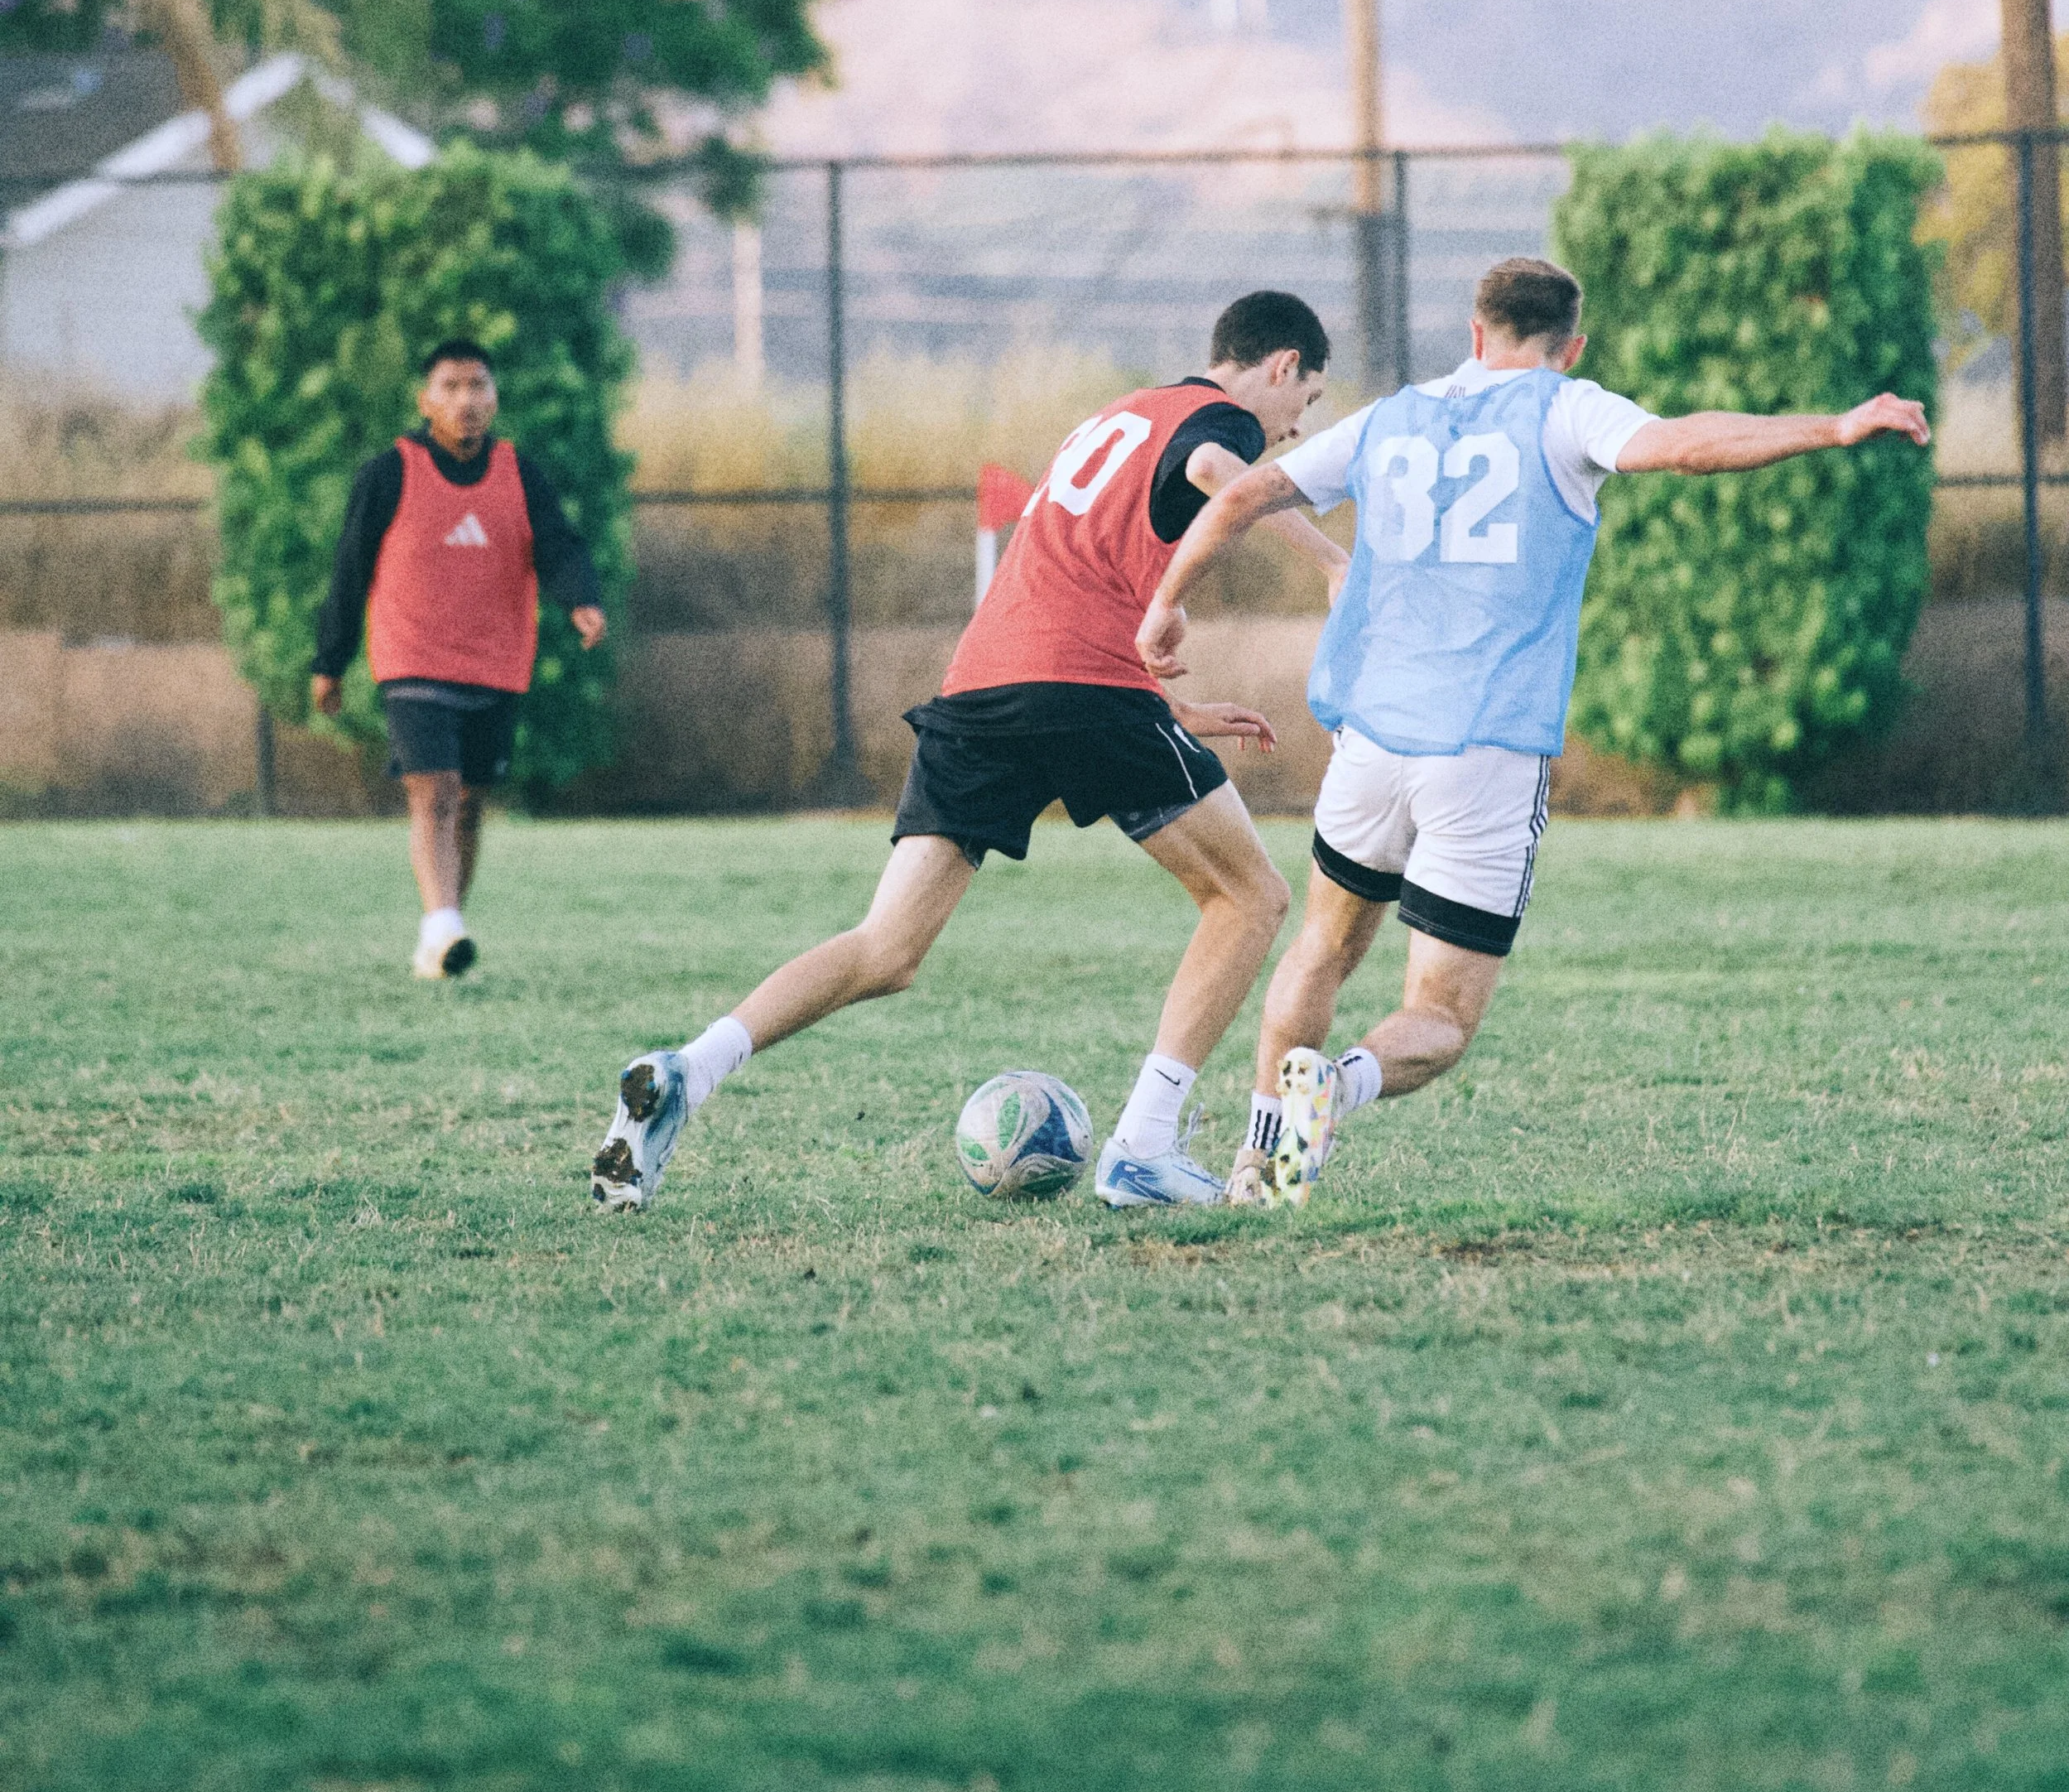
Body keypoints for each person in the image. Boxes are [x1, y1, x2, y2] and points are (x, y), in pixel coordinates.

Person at [1134, 253, 1931, 1203]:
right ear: (1570, 346)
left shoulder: (1391, 417)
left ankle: (1260, 1167)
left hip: (1374, 740)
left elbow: (1238, 497)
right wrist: (1834, 427)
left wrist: (1163, 608)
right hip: (1486, 753)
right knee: (1441, 1010)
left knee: (1320, 947)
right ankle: (1337, 1089)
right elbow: (1682, 444)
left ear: (1474, 334)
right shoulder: (1565, 407)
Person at [589, 291, 1346, 1213]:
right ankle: (1145, 1145)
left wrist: (1166, 710)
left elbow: (1076, 581)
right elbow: (1227, 479)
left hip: (984, 688)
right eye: (1301, 406)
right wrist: (1327, 559)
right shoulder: (1214, 416)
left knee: (886, 949)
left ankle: (689, 1069)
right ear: (1278, 366)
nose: (1289, 429)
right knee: (1249, 898)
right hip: (1082, 688)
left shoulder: (1114, 416)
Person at [311, 338, 608, 979]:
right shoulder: (389, 473)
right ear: (425, 400)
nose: (466, 400)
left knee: (470, 803)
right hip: (412, 659)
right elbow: (350, 569)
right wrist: (329, 660)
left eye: (478, 386)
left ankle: (441, 937)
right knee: (436, 792)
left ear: (495, 397)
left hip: (494, 661)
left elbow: (558, 545)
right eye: (451, 387)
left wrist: (581, 599)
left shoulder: (519, 473)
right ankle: (443, 922)